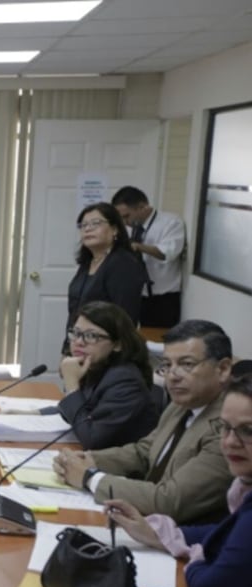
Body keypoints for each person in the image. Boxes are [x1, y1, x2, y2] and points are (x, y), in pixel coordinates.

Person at [105, 373, 252, 587]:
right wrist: (158, 533)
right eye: (225, 428)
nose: (230, 442)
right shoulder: (244, 486)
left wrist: (198, 556)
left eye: (247, 431)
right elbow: (225, 532)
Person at [53, 319, 234, 524]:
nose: (173, 376)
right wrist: (90, 459)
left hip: (185, 541)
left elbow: (170, 501)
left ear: (223, 369)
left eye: (186, 364)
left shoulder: (231, 429)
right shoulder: (182, 404)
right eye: (167, 365)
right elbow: (145, 452)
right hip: (145, 523)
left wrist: (89, 478)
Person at [39, 301, 159, 449]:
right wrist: (32, 413)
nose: (78, 342)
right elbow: (78, 409)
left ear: (117, 344)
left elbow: (91, 438)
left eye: (91, 336)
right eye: (75, 333)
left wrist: (71, 385)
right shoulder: (97, 366)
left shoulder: (126, 381)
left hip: (118, 468)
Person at [63, 202, 147, 353]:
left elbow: (125, 317)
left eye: (96, 223)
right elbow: (74, 312)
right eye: (83, 225)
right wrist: (67, 350)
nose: (88, 228)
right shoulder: (88, 262)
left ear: (115, 229)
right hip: (80, 344)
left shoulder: (123, 263)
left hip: (106, 350)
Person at [112, 186, 186, 328]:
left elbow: (167, 253)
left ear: (142, 207)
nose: (124, 222)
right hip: (135, 295)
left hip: (162, 299)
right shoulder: (128, 227)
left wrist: (139, 247)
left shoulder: (170, 222)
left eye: (126, 216)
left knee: (158, 342)